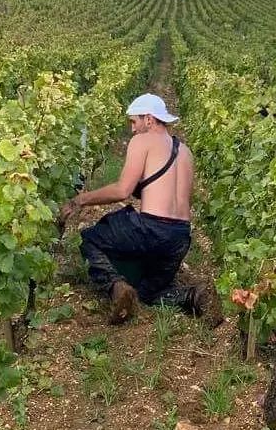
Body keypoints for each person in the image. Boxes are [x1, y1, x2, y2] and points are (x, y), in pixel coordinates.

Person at [60, 93, 216, 325]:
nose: (132, 129)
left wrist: (80, 200)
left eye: (134, 121)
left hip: (151, 229)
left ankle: (115, 286)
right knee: (147, 294)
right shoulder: (185, 152)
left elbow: (122, 190)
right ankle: (194, 296)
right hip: (180, 238)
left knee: (91, 240)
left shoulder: (143, 141)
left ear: (149, 119)